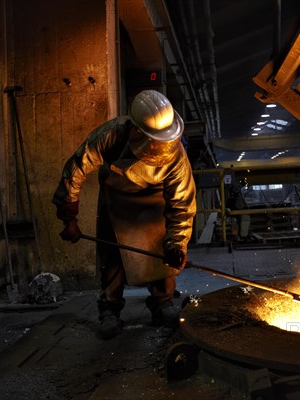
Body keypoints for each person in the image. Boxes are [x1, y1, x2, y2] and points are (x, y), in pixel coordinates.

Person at [52, 90, 196, 340]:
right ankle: (109, 308)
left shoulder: (176, 158)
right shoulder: (112, 134)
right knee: (113, 257)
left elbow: (182, 207)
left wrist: (177, 245)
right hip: (116, 199)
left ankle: (163, 302)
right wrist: (69, 218)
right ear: (136, 130)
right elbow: (76, 168)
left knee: (161, 252)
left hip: (154, 203)